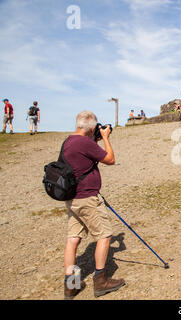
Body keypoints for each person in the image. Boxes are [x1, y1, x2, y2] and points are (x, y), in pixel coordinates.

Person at [62, 111, 125, 300]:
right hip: (88, 199)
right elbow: (110, 159)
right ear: (91, 128)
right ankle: (101, 281)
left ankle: (70, 284)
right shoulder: (85, 143)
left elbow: (85, 158)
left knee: (73, 239)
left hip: (72, 200)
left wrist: (94, 140)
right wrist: (105, 138)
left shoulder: (68, 142)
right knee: (105, 236)